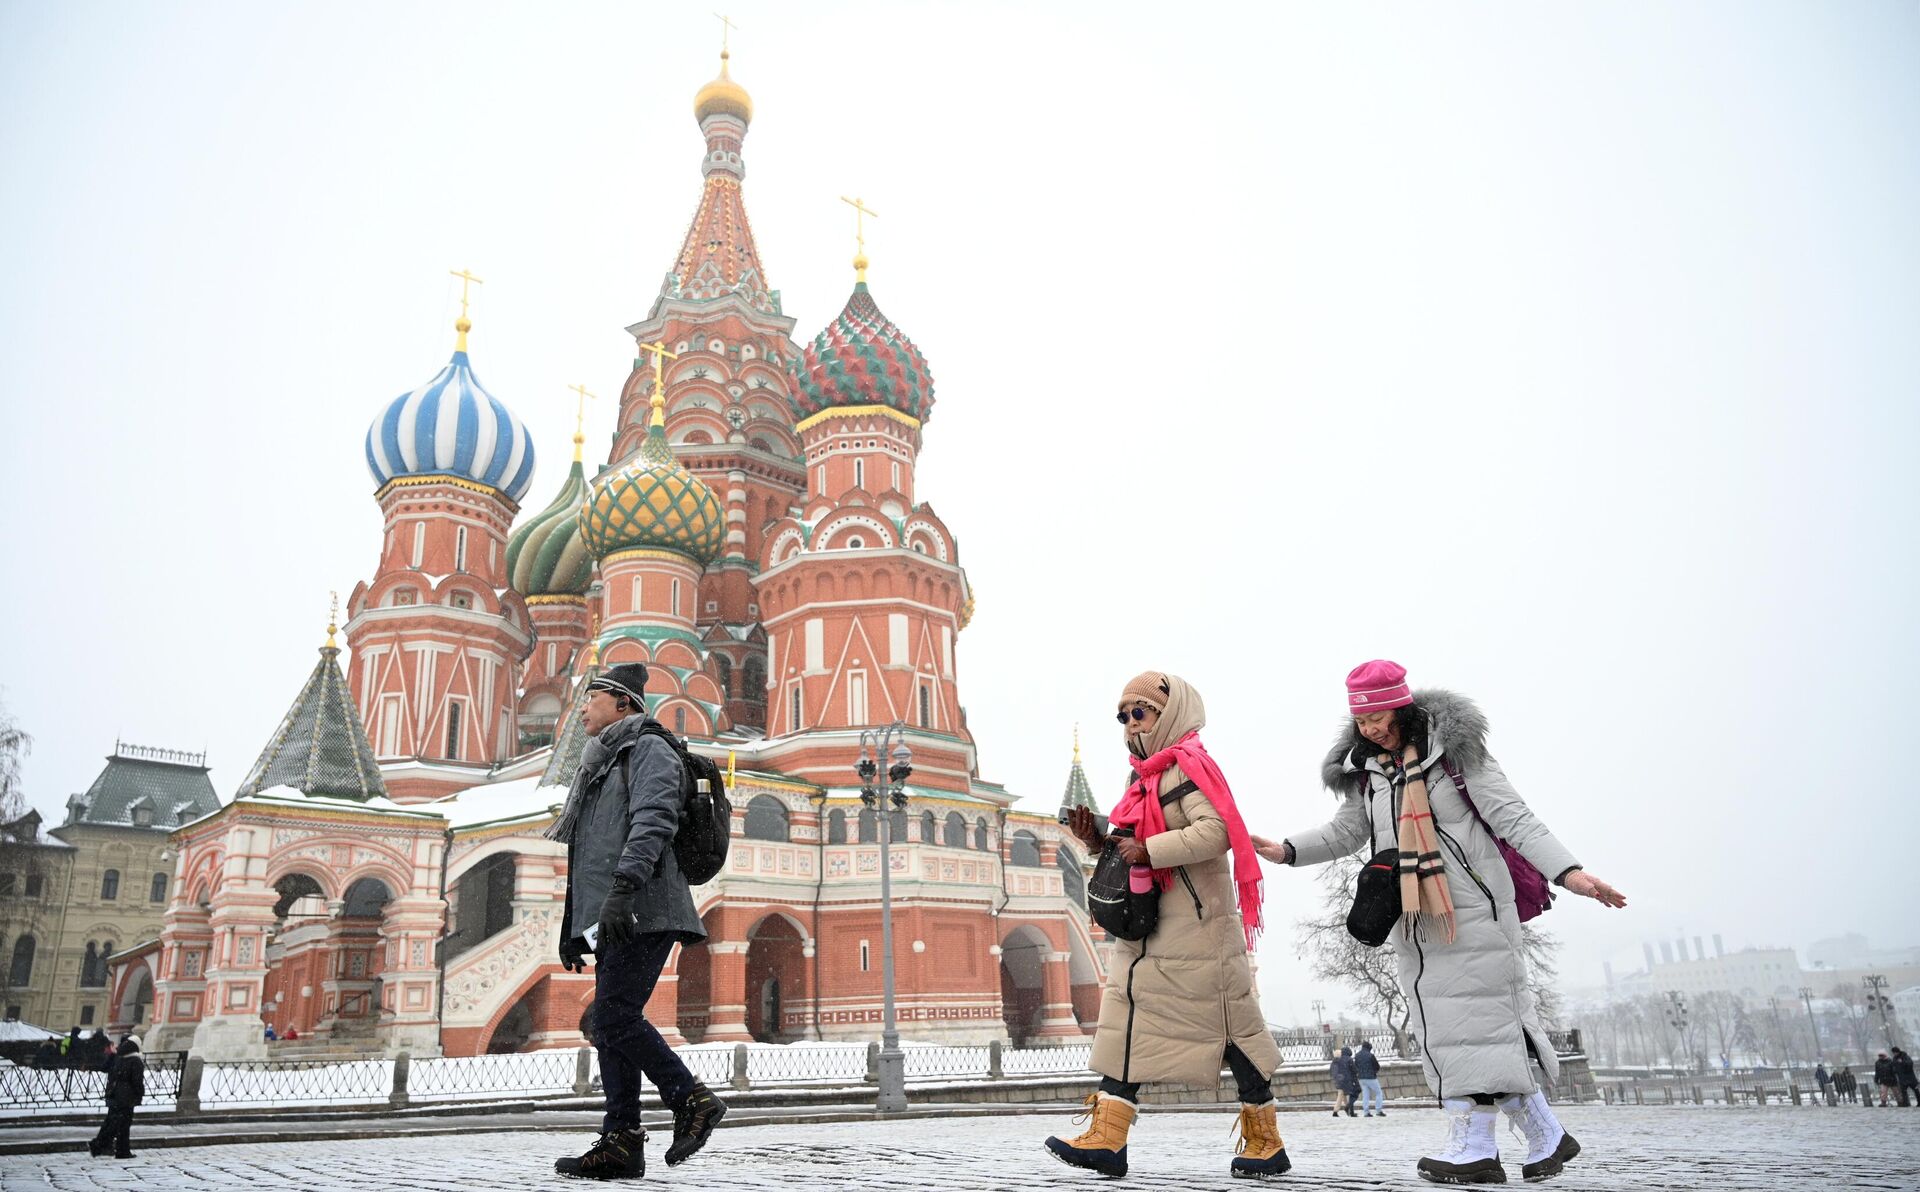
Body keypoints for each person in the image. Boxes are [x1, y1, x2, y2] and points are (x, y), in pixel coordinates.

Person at [1253, 662, 1627, 1185]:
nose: (1372, 729)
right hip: (1415, 915)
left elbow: (1513, 816)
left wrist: (1570, 873)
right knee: (1446, 1026)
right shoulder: (1369, 775)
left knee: (1483, 1023)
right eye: (1362, 722)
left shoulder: (1454, 754)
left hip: (1472, 909)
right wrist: (1289, 849)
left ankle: (1475, 1146)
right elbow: (1347, 831)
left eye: (1379, 716)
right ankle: (1543, 1133)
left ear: (1401, 707)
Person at [1048, 672, 1289, 1181]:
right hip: (1150, 923)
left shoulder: (1189, 767)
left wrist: (1150, 848)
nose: (1131, 724)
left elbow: (1218, 830)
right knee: (1127, 1022)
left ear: (1170, 713)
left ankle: (1265, 1140)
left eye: (1141, 712)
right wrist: (1097, 841)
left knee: (1230, 1032)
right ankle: (1107, 1139)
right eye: (1124, 716)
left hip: (1196, 930)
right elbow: (1129, 844)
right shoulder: (1143, 777)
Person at [546, 662, 726, 1180]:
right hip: (618, 911)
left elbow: (654, 818)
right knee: (610, 1024)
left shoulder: (647, 748)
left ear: (622, 703)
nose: (582, 707)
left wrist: (624, 891)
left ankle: (691, 1099)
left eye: (592, 697)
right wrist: (573, 927)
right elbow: (589, 852)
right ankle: (621, 1141)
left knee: (613, 1017)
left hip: (645, 905)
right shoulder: (601, 763)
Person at [88, 1033, 143, 1159]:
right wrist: (139, 1094)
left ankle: (104, 1146)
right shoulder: (135, 1060)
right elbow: (137, 1081)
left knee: (113, 1122)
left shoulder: (119, 1058)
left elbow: (111, 1073)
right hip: (127, 1097)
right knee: (122, 1125)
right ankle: (117, 1150)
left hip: (115, 1094)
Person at [1355, 1039, 1385, 1117]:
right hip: (1371, 1078)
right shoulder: (1370, 1055)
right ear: (1369, 1048)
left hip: (1361, 1078)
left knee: (1365, 1095)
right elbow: (1377, 1066)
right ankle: (1378, 1110)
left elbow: (1356, 1066)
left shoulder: (1357, 1055)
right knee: (1378, 1093)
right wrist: (1374, 1072)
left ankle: (1366, 1112)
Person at [1329, 1046, 1361, 1117]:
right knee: (1341, 1095)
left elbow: (1332, 1071)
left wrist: (1336, 1078)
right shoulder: (1345, 1060)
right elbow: (1352, 1070)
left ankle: (1347, 1109)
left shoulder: (1335, 1061)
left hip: (1338, 1080)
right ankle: (1335, 1111)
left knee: (1343, 1095)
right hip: (1344, 1080)